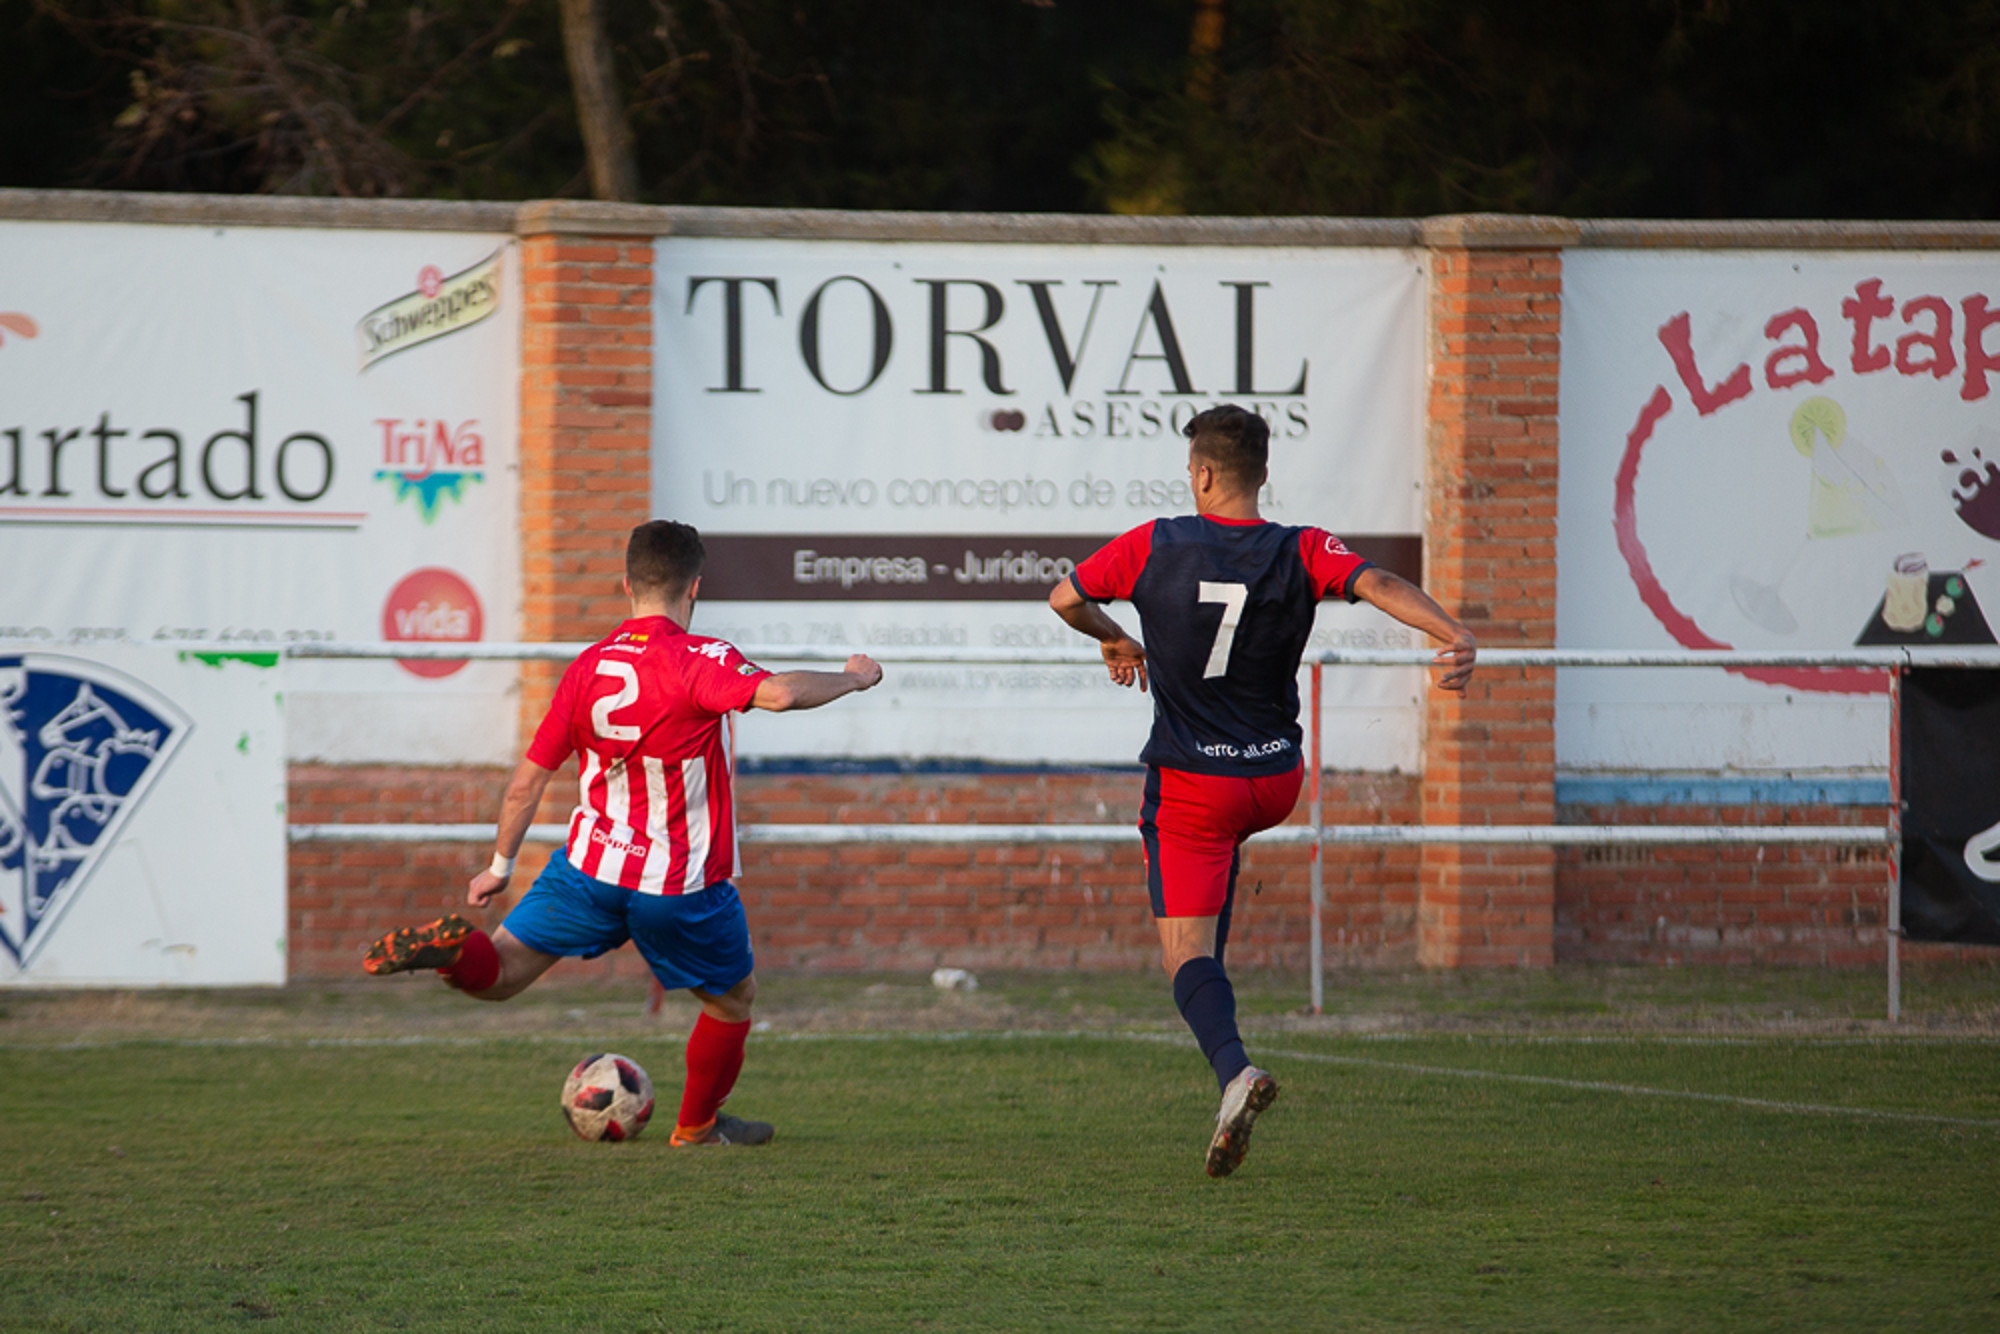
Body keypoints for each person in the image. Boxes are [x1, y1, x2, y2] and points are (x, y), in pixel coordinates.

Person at [1050, 404, 1476, 1178]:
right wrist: (1454, 635)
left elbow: (1064, 597)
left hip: (1194, 783)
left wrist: (1113, 637)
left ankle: (1235, 1072)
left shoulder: (1156, 542)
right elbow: (1375, 582)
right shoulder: (1301, 548)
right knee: (1216, 893)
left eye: (1191, 469)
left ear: (1204, 474)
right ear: (1264, 475)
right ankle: (1225, 1022)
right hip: (1274, 778)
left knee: (1187, 953)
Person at [363, 519, 883, 1148]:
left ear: (626, 585)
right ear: (695, 588)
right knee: (732, 999)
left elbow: (525, 786)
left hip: (588, 870)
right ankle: (696, 1128)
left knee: (498, 972)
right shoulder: (699, 658)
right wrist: (853, 677)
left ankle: (453, 954)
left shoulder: (587, 668)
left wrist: (498, 868)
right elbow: (776, 695)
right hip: (676, 883)